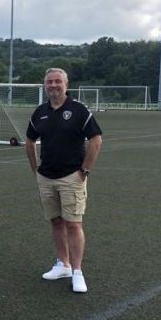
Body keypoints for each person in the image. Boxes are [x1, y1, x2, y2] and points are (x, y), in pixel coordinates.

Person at [25, 68, 103, 293]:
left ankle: (77, 272)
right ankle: (63, 264)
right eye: (49, 82)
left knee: (73, 223)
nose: (53, 85)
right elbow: (30, 141)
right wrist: (35, 169)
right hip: (46, 177)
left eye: (57, 81)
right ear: (45, 86)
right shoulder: (40, 112)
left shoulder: (78, 110)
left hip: (72, 176)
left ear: (66, 84)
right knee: (56, 222)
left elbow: (96, 140)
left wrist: (85, 170)